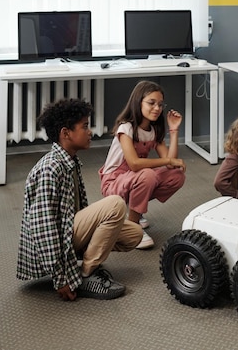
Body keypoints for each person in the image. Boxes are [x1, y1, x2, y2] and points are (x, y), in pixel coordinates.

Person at [17, 99, 143, 301]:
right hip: (49, 245)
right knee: (115, 204)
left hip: (66, 232)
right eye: (84, 126)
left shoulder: (70, 161)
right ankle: (84, 275)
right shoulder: (50, 168)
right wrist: (61, 279)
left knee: (134, 234)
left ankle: (83, 265)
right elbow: (44, 229)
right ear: (65, 133)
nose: (90, 131)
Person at [100, 80, 186, 249]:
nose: (157, 108)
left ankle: (135, 212)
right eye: (151, 103)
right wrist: (168, 160)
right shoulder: (126, 128)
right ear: (138, 102)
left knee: (177, 175)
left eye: (160, 105)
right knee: (147, 174)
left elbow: (171, 164)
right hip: (113, 183)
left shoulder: (153, 130)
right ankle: (132, 227)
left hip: (135, 178)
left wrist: (174, 130)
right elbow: (134, 164)